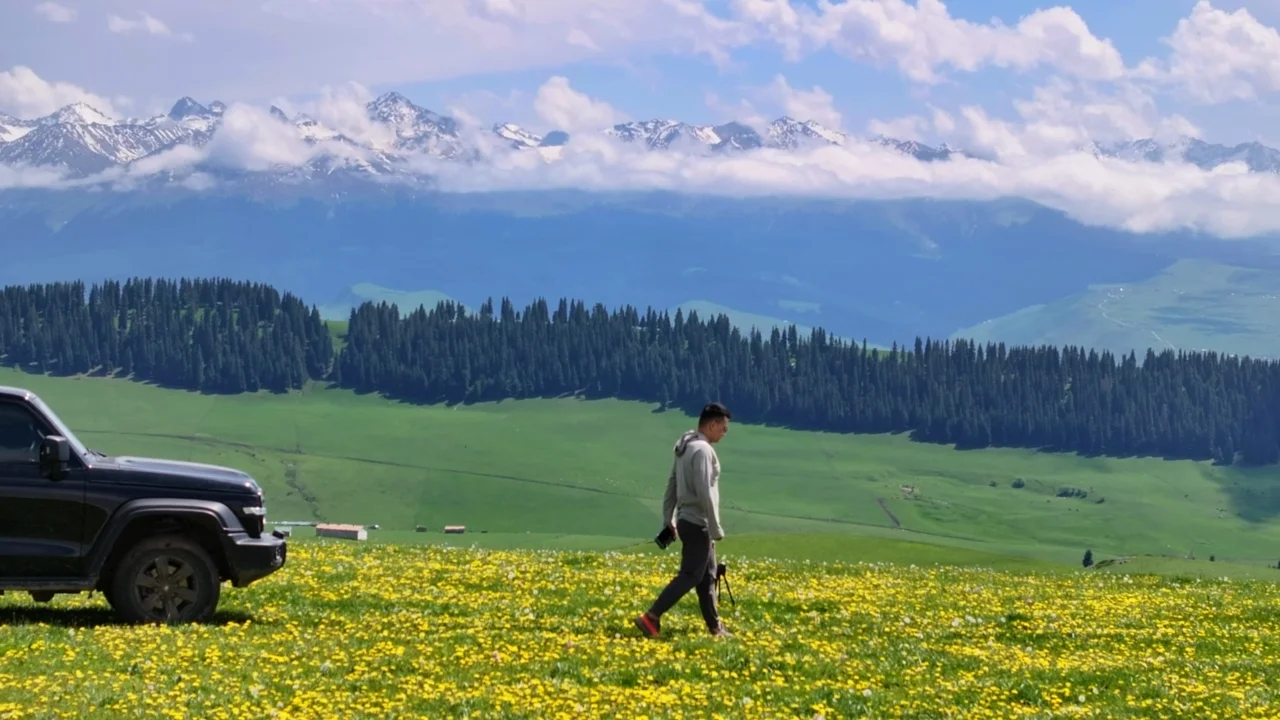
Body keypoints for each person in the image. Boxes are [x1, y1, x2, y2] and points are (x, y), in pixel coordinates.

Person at [634, 402, 732, 639]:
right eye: (723, 427)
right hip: (699, 523)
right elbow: (705, 492)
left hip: (688, 520)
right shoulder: (703, 451)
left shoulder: (685, 448)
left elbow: (672, 483)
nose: (725, 432)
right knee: (690, 575)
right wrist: (715, 526)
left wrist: (668, 517)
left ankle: (715, 627)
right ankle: (651, 617)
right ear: (712, 424)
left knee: (707, 576)